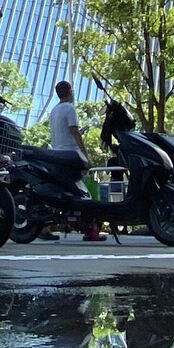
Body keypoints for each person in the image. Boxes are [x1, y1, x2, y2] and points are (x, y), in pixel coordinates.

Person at [47, 80, 107, 241]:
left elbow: (63, 132)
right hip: (71, 155)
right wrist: (84, 154)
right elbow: (74, 132)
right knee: (85, 190)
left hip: (57, 154)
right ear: (70, 92)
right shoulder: (69, 108)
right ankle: (91, 228)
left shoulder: (54, 110)